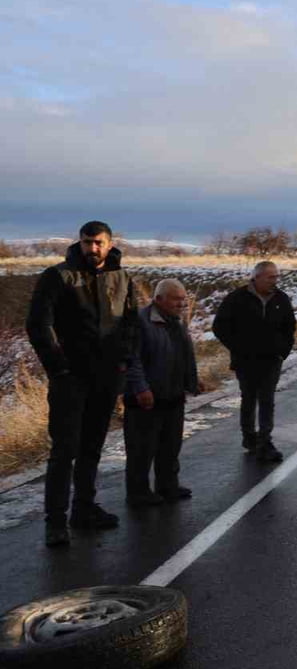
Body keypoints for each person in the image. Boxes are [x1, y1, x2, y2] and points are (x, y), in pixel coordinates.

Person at [26, 221, 138, 548]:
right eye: (87, 243)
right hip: (70, 379)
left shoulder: (122, 278)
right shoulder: (58, 276)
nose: (93, 249)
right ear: (80, 243)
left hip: (105, 378)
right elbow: (38, 325)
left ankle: (85, 509)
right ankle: (56, 522)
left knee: (92, 446)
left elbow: (130, 323)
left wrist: (123, 363)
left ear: (110, 243)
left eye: (98, 243)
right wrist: (58, 368)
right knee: (64, 450)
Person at [123, 278, 199, 507]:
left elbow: (182, 353)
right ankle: (138, 493)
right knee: (142, 449)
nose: (181, 304)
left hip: (173, 395)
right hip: (146, 398)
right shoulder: (140, 322)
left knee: (170, 445)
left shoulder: (176, 321)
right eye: (176, 299)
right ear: (159, 299)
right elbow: (131, 359)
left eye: (183, 299)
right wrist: (141, 388)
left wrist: (193, 380)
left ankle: (168, 485)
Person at [213, 261, 295, 463]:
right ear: (256, 277)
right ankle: (249, 438)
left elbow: (289, 327)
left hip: (271, 360)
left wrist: (282, 351)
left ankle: (265, 441)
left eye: (276, 277)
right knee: (248, 398)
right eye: (270, 277)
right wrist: (238, 347)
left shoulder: (281, 299)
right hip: (245, 360)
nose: (275, 281)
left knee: (267, 399)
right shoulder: (237, 298)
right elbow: (220, 326)